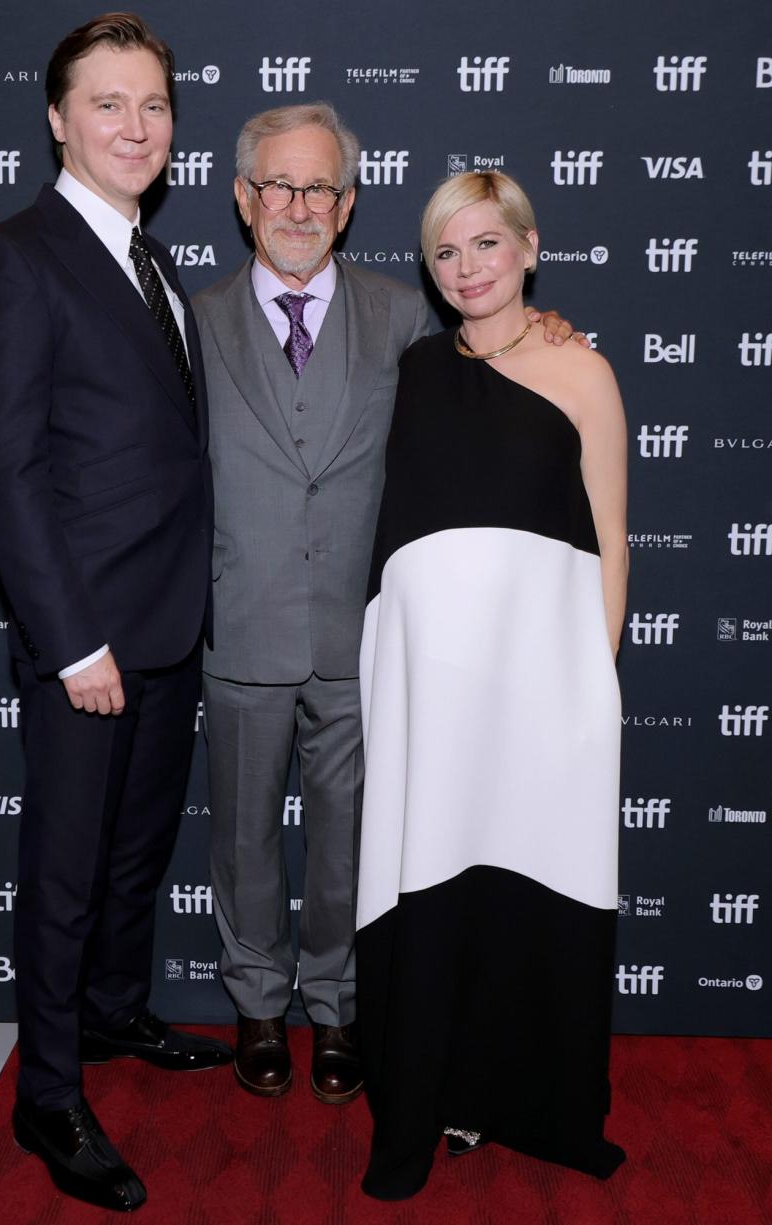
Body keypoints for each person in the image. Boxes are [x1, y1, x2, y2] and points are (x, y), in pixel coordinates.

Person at [192, 107, 582, 1106]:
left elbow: (490, 378)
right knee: (240, 838)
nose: (295, 206)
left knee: (348, 839)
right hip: (242, 625)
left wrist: (544, 329)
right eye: (275, 186)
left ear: (347, 204)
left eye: (317, 188)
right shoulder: (196, 322)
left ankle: (335, 1004)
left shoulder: (403, 315)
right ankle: (257, 1004)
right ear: (242, 198)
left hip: (362, 634)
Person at [0, 13, 230, 1213]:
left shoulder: (156, 260)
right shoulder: (15, 256)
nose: (135, 125)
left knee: (134, 853)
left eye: (154, 106)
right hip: (88, 640)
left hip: (172, 625)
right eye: (108, 103)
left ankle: (115, 1014)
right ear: (59, 120)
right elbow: (6, 476)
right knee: (64, 873)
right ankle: (48, 1095)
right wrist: (71, 641)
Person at [356, 170, 629, 1199]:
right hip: (431, 702)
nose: (466, 268)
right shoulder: (414, 368)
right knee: (435, 893)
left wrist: (587, 690)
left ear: (528, 246)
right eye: (445, 252)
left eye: (485, 245)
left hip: (540, 696)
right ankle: (431, 1096)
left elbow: (609, 542)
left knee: (524, 893)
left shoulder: (581, 371)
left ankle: (522, 1096)